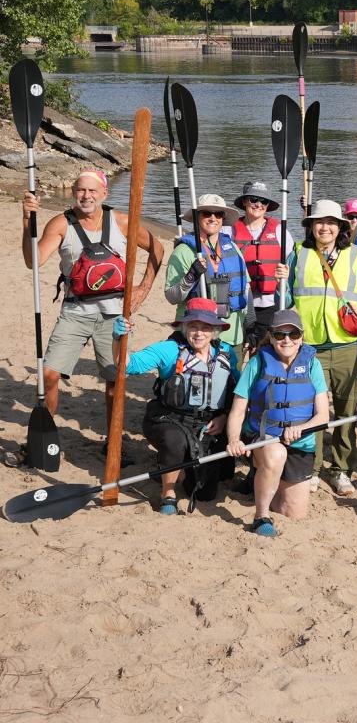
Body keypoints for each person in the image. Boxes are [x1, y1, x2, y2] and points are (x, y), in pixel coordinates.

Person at [18, 169, 163, 456]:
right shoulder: (61, 223)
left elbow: (157, 248)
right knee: (48, 374)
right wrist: (26, 220)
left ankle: (113, 442)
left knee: (114, 380)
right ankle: (44, 439)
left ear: (104, 194)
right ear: (73, 192)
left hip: (114, 316)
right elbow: (32, 261)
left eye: (92, 191)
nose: (86, 196)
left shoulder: (121, 221)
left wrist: (143, 288)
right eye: (81, 190)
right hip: (75, 312)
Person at [111, 298, 239, 514]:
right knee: (175, 442)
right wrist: (118, 339)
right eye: (193, 327)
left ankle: (180, 468)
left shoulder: (226, 353)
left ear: (215, 330)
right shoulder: (169, 350)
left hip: (208, 425)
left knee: (205, 493)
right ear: (183, 327)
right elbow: (126, 365)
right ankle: (167, 492)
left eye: (205, 327)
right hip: (168, 419)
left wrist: (225, 416)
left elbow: (238, 392)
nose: (199, 333)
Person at [286, 199, 357, 494]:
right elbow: (286, 296)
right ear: (310, 226)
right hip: (309, 345)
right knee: (312, 410)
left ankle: (341, 469)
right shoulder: (298, 254)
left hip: (350, 345)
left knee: (347, 411)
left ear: (341, 227)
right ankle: (312, 468)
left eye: (331, 222)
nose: (324, 227)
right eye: (318, 222)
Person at [224, 309, 331, 537]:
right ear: (271, 336)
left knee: (293, 512)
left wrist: (301, 429)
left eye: (293, 335)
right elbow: (238, 409)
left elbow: (323, 416)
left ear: (301, 337)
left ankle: (263, 479)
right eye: (280, 335)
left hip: (301, 443)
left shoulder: (312, 364)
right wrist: (234, 439)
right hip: (264, 438)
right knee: (276, 455)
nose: (287, 340)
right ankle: (260, 515)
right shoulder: (257, 363)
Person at [165, 193, 254, 352]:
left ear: (223, 219)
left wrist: (250, 325)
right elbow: (172, 297)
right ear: (196, 217)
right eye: (207, 213)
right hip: (197, 337)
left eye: (218, 214)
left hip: (231, 335)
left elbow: (246, 289)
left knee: (232, 376)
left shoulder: (232, 248)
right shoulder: (183, 252)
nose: (213, 218)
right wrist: (191, 276)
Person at [231, 180, 293, 337]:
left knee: (266, 352)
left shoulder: (280, 231)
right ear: (245, 201)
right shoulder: (229, 230)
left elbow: (291, 264)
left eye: (263, 201)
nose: (258, 204)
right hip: (240, 303)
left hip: (270, 304)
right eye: (253, 199)